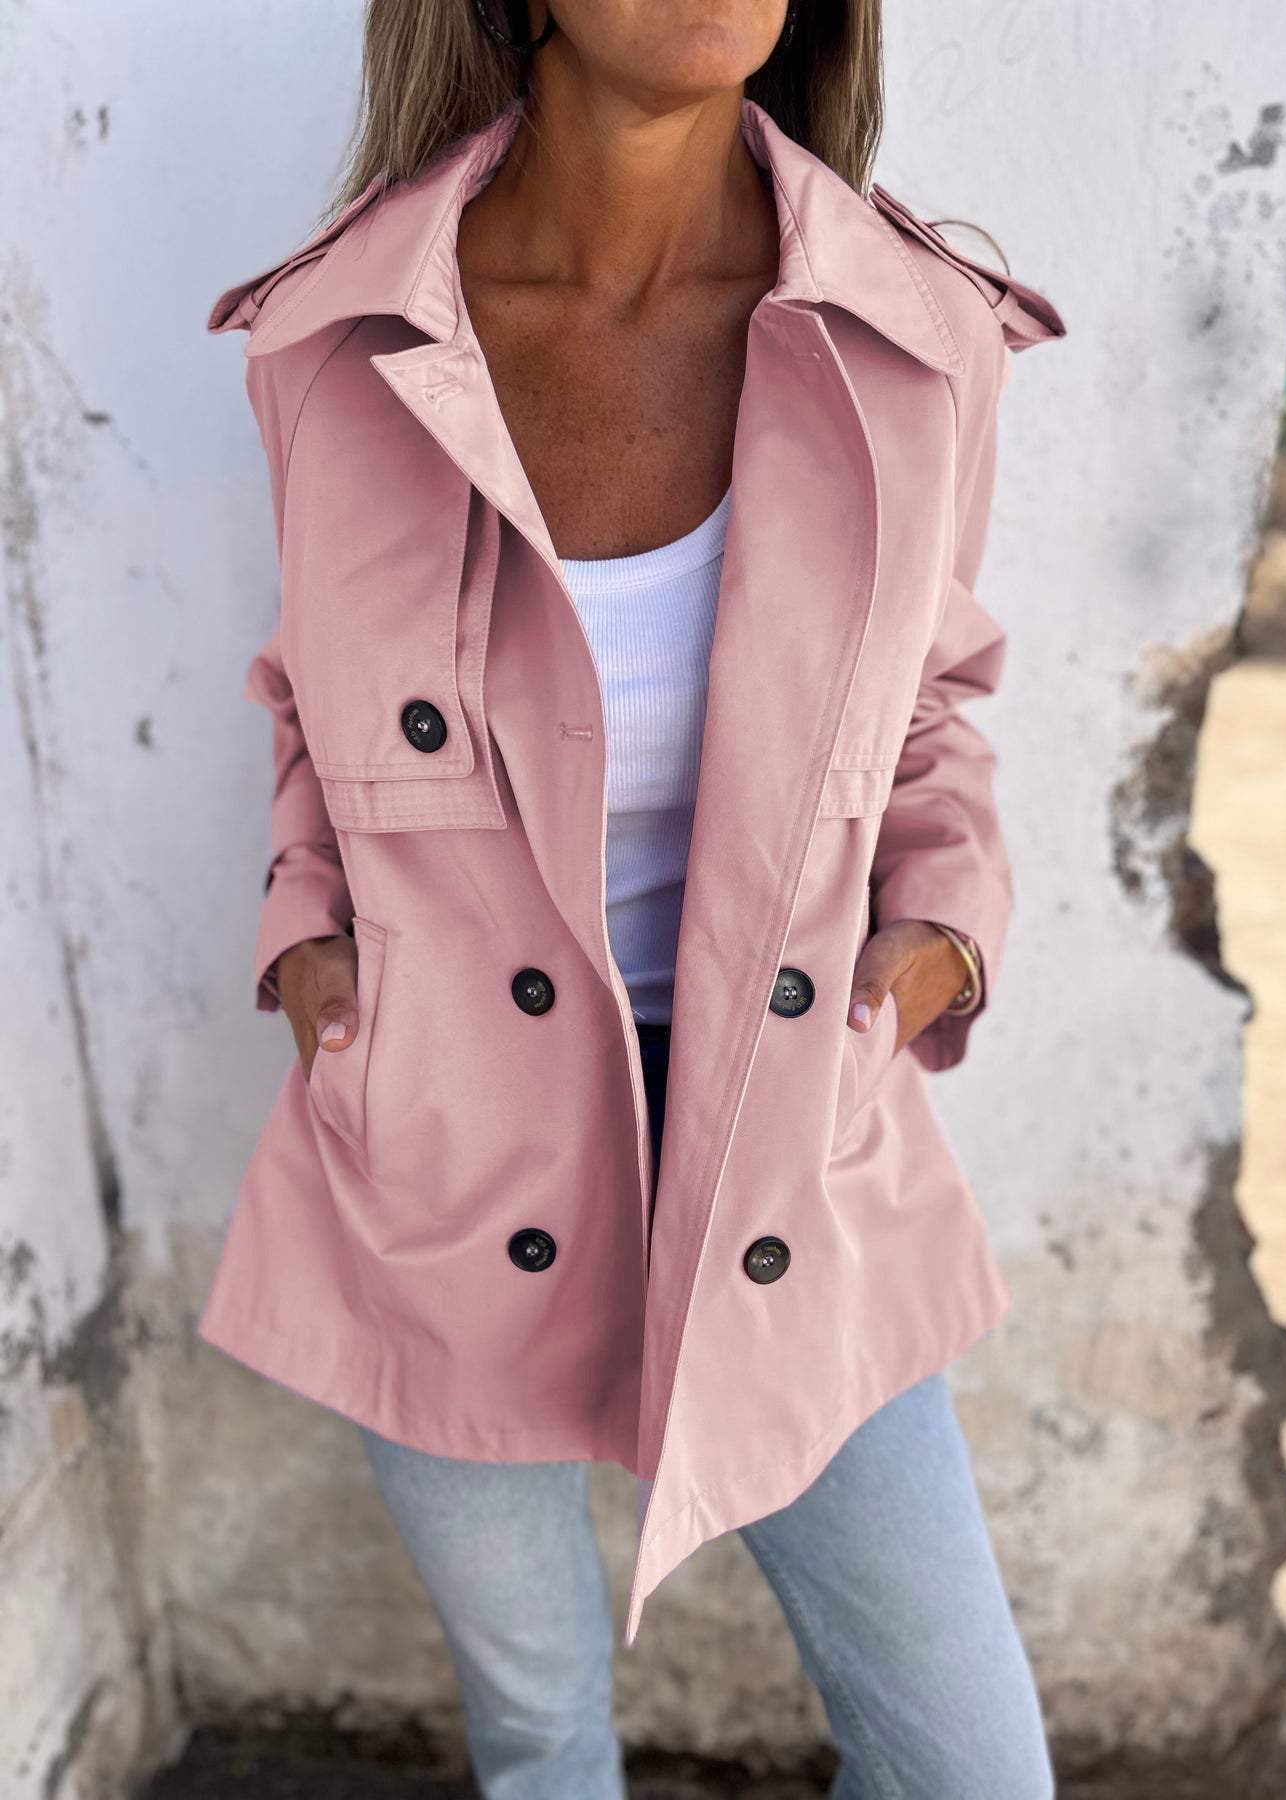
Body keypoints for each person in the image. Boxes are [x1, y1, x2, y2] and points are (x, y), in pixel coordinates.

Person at [203, 2, 1067, 1794]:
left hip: (787, 1129)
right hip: (444, 1138)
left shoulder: (910, 338)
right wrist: (311, 953)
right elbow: (312, 707)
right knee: (539, 1741)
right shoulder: (335, 342)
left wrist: (938, 937)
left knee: (968, 1766)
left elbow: (930, 705)